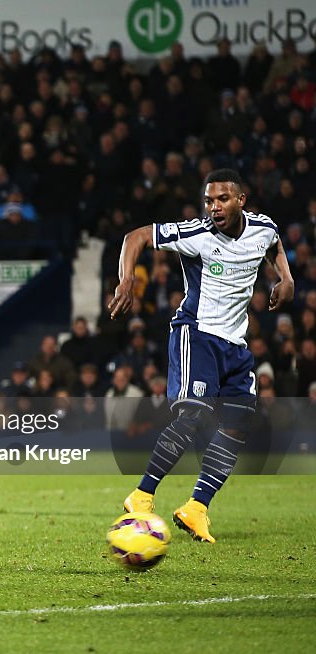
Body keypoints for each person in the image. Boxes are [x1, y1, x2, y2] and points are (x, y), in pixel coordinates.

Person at [109, 168, 293, 543]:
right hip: (197, 334)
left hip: (236, 344)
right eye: (209, 200)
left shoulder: (263, 227)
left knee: (238, 426)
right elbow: (136, 237)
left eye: (222, 199)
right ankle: (142, 495)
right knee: (194, 415)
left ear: (241, 200)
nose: (214, 207)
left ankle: (197, 507)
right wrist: (127, 278)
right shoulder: (197, 233)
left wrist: (286, 278)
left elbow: (273, 244)